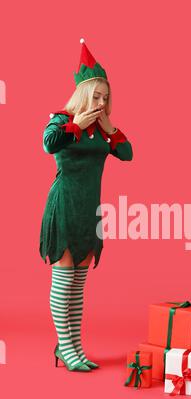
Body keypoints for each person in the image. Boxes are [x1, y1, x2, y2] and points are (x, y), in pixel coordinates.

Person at [39, 38, 133, 372]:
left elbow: (127, 154)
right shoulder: (61, 120)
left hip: (90, 210)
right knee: (64, 281)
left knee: (79, 285)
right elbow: (49, 144)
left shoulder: (102, 131)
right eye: (96, 95)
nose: (102, 101)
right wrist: (77, 124)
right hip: (65, 205)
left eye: (106, 97)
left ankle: (74, 347)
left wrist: (111, 128)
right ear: (82, 94)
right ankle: (65, 347)